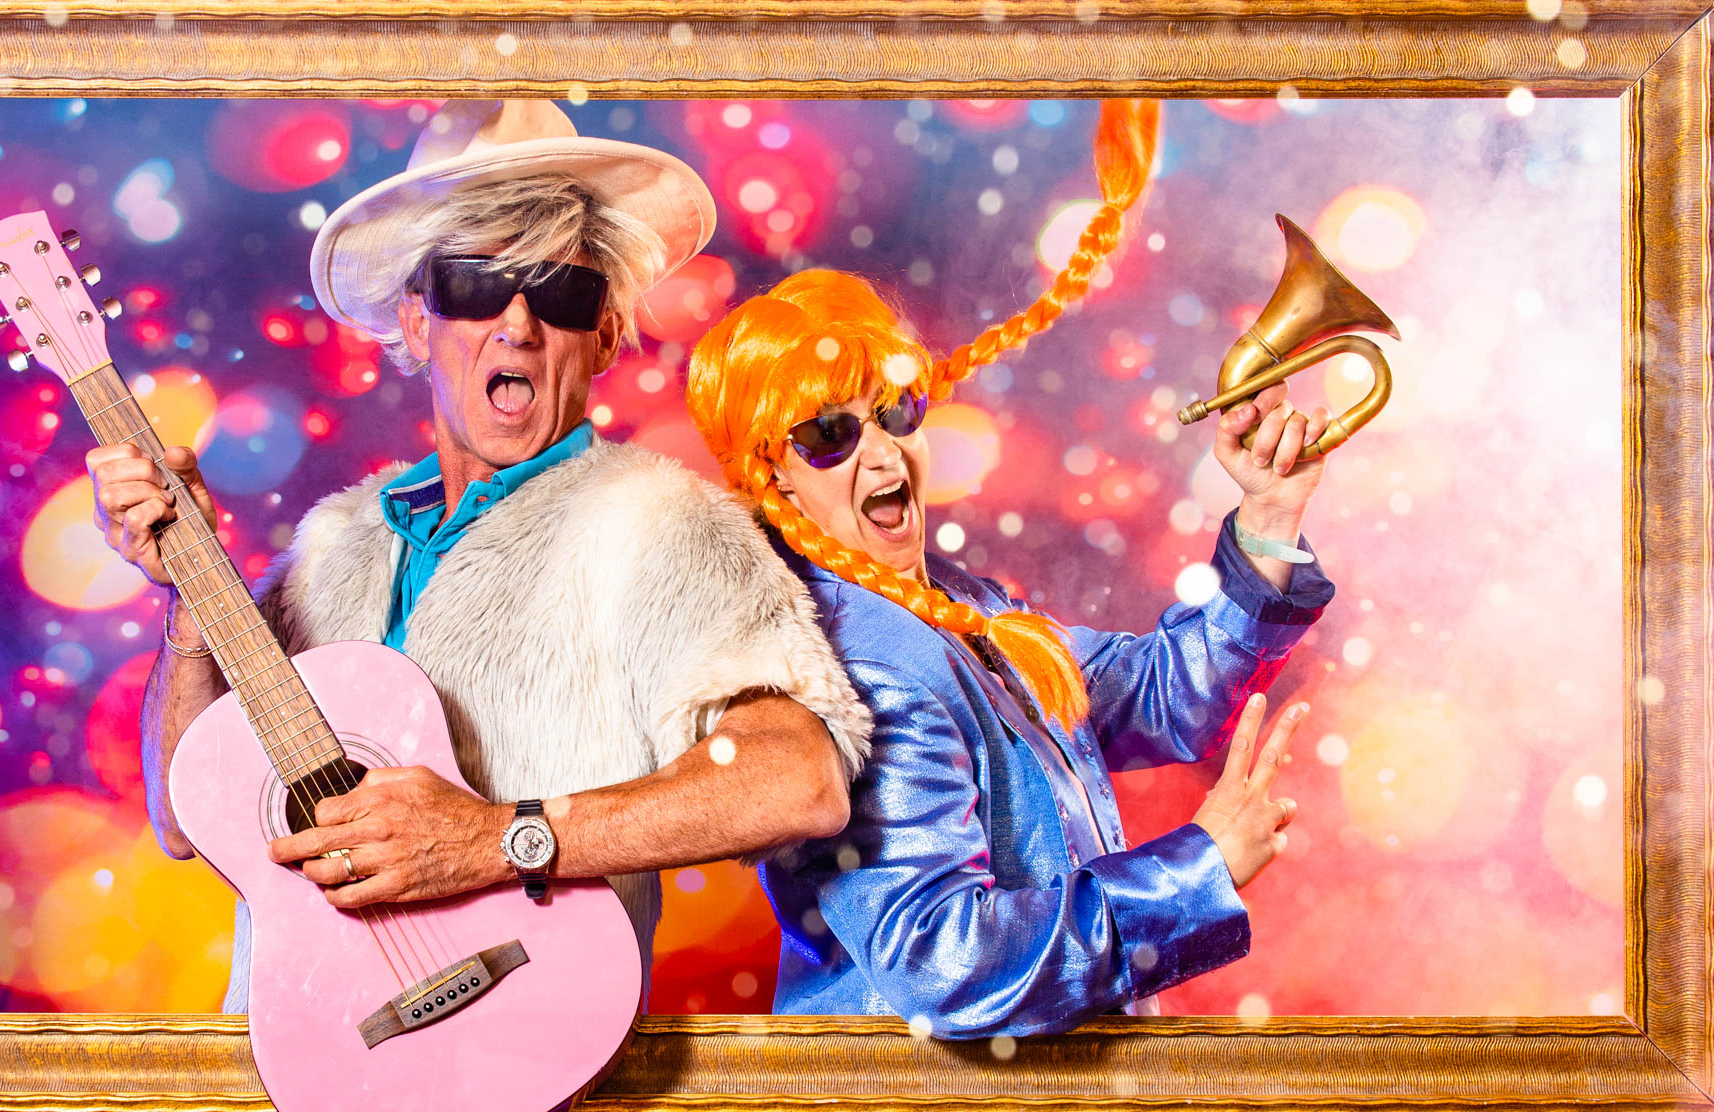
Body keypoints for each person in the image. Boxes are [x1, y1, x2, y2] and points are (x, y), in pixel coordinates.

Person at [87, 100, 871, 1011]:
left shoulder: (655, 520)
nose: (519, 325)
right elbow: (189, 818)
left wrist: (497, 838)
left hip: (526, 1065)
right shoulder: (333, 545)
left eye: (562, 292)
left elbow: (798, 778)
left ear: (606, 336)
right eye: (474, 285)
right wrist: (189, 601)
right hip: (307, 1061)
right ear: (418, 324)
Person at [682, 100, 1335, 1036]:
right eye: (828, 434)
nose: (881, 456)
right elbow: (945, 964)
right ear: (768, 478)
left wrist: (1268, 519)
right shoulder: (843, 666)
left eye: (893, 412)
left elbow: (1161, 695)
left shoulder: (962, 610)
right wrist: (1199, 868)